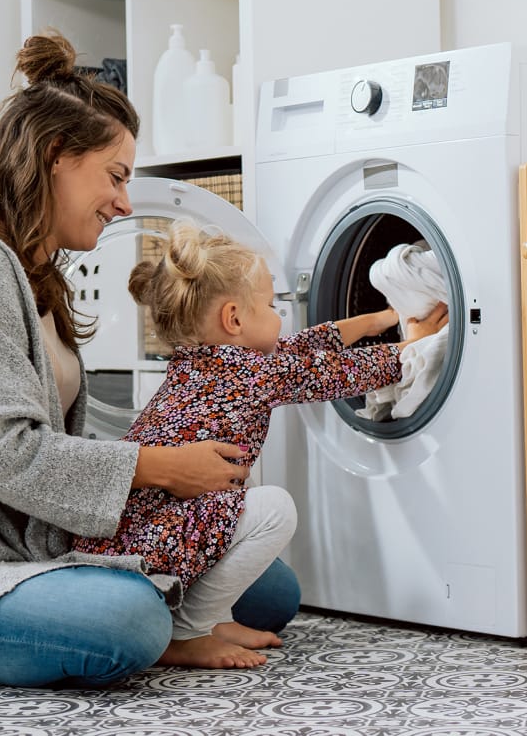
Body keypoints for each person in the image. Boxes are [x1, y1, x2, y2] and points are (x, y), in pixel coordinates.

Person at [0, 32, 290, 688]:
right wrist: (163, 470)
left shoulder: (33, 269)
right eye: (115, 176)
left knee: (273, 589)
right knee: (131, 622)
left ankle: (164, 615)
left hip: (35, 544)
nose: (123, 201)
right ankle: (164, 629)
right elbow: (2, 453)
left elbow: (53, 449)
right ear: (57, 155)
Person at [72, 219, 448, 668]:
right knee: (273, 509)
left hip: (137, 536)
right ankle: (190, 631)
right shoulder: (249, 373)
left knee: (233, 503)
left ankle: (214, 618)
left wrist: (379, 320)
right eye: (271, 306)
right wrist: (411, 347)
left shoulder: (206, 363)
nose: (279, 315)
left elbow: (300, 348)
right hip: (151, 546)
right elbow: (332, 373)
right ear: (233, 319)